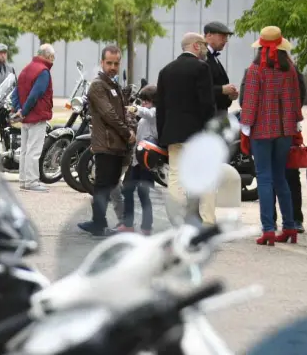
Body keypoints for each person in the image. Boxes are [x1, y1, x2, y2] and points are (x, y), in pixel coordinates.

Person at [239, 26, 304, 246]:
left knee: (264, 178)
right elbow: (296, 100)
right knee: (281, 178)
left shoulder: (255, 69)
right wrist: (296, 126)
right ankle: (290, 226)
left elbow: (249, 102)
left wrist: (245, 128)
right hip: (284, 131)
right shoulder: (290, 69)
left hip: (261, 131)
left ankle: (268, 229)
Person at [155, 32, 217, 225]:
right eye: (204, 45)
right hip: (197, 133)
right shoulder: (201, 68)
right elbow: (207, 104)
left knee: (175, 177)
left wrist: (162, 135)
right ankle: (207, 221)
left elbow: (161, 108)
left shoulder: (165, 71)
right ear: (196, 46)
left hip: (173, 133)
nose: (206, 49)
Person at [79, 46, 134, 237]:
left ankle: (101, 223)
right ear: (101, 63)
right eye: (109, 63)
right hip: (106, 144)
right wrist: (127, 133)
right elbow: (109, 114)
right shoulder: (98, 85)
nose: (112, 67)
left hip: (116, 144)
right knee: (102, 184)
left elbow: (119, 112)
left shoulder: (113, 84)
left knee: (109, 184)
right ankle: (98, 224)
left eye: (116, 63)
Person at [11, 43, 55, 192]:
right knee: (34, 150)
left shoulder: (26, 69)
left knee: (24, 150)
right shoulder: (43, 71)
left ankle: (23, 180)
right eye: (52, 57)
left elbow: (15, 93)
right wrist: (24, 111)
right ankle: (32, 181)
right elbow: (36, 94)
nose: (53, 60)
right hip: (36, 115)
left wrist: (19, 110)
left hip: (25, 118)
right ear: (47, 56)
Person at [116, 84, 158, 235]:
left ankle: (146, 226)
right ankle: (129, 224)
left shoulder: (155, 113)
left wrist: (135, 109)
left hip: (148, 159)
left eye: (147, 101)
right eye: (143, 101)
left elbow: (149, 113)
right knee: (128, 189)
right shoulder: (146, 116)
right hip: (138, 159)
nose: (144, 103)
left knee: (143, 193)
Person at [203, 21, 240, 115]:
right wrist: (222, 89)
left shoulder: (213, 57)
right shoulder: (202, 57)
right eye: (222, 36)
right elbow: (200, 88)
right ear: (209, 35)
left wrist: (229, 96)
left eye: (226, 37)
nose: (225, 40)